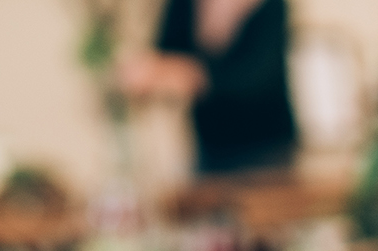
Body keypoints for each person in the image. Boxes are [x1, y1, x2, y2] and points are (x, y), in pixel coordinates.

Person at [121, 0, 297, 175]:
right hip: (210, 148)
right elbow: (167, 52)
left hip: (270, 149)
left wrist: (192, 75)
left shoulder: (270, 5)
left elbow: (257, 77)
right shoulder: (185, 5)